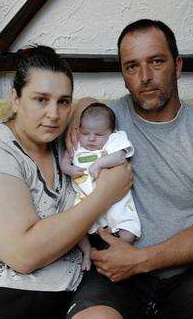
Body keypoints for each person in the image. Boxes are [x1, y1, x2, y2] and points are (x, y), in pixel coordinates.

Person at [66, 19, 193, 319]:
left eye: (157, 61)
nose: (145, 76)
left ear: (178, 66)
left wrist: (141, 259)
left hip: (191, 277)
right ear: (124, 76)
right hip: (112, 275)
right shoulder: (105, 122)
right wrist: (80, 107)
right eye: (132, 66)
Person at [0, 45, 132, 318]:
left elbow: (88, 106)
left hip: (78, 286)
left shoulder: (58, 138)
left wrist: (80, 108)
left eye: (63, 101)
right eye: (40, 99)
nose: (54, 114)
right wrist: (104, 195)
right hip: (11, 296)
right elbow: (24, 255)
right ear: (15, 99)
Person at [61, 102, 141, 271]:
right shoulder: (77, 144)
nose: (90, 138)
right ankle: (86, 250)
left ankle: (120, 249)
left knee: (129, 228)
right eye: (85, 133)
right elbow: (64, 162)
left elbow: (120, 157)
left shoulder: (113, 141)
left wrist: (99, 164)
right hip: (84, 197)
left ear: (111, 133)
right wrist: (69, 169)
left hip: (116, 199)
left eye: (98, 135)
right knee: (75, 228)